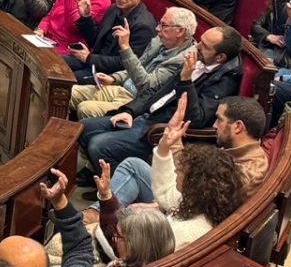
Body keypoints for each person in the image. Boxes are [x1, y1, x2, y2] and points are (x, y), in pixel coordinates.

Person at [80, 25, 241, 173]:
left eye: (204, 46)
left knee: (98, 145)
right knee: (84, 127)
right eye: (200, 41)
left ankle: (114, 194)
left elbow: (196, 119)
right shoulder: (199, 60)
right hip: (146, 116)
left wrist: (186, 80)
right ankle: (96, 177)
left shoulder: (224, 82)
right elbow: (156, 90)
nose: (197, 46)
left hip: (160, 130)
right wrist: (130, 111)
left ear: (220, 57)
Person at [103, 100, 247, 238]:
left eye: (219, 119)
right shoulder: (221, 163)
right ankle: (96, 212)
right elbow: (171, 192)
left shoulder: (182, 232)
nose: (214, 125)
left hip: (148, 245)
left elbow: (134, 253)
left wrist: (106, 219)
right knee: (133, 164)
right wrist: (167, 145)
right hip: (178, 216)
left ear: (238, 126)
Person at [68, 6, 196, 121]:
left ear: (180, 31)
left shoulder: (183, 60)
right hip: (122, 88)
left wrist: (125, 47)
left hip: (135, 101)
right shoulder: (159, 41)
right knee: (67, 92)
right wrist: (114, 78)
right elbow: (139, 65)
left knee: (85, 108)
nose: (157, 29)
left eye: (163, 25)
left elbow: (147, 86)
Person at [65, 0, 156, 83]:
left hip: (110, 74)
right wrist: (86, 16)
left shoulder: (143, 26)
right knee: (56, 62)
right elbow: (95, 41)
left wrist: (89, 58)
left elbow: (126, 64)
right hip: (94, 61)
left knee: (67, 77)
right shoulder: (114, 9)